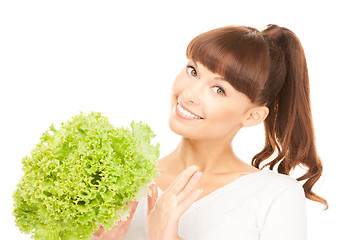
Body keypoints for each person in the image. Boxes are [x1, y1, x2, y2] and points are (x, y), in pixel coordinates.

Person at [92, 24, 328, 240]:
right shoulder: (120, 183)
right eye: (193, 71)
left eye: (218, 89)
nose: (189, 94)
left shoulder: (274, 196)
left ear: (252, 116)